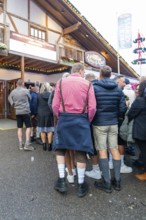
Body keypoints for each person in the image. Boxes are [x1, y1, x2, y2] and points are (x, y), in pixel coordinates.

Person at [52, 63, 96, 197]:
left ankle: (61, 180)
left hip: (64, 118)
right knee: (80, 150)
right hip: (81, 119)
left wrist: (61, 117)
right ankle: (81, 185)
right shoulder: (88, 84)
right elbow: (93, 107)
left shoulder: (60, 82)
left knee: (60, 148)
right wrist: (86, 120)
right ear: (81, 71)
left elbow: (55, 105)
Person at [92, 66, 127, 193]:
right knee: (114, 149)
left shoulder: (94, 87)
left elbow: (91, 106)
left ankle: (106, 182)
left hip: (99, 122)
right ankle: (117, 181)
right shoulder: (118, 88)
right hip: (113, 122)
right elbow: (123, 109)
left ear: (100, 74)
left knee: (102, 150)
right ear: (111, 75)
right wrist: (114, 115)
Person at [108, 75, 133, 174]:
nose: (125, 83)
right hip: (118, 120)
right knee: (120, 142)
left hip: (108, 120)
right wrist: (126, 106)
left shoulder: (108, 91)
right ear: (117, 82)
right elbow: (122, 109)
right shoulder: (119, 92)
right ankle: (121, 165)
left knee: (110, 141)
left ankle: (110, 162)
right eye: (123, 81)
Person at [127, 80, 146, 180]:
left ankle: (145, 174)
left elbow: (131, 114)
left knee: (144, 151)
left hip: (142, 131)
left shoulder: (140, 100)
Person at [8, 79, 34, 151]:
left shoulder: (13, 92)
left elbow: (9, 99)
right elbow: (30, 98)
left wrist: (13, 104)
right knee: (28, 127)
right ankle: (27, 144)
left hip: (18, 112)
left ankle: (20, 145)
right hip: (26, 111)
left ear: (16, 84)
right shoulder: (26, 91)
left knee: (19, 128)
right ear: (23, 83)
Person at [84, 72, 101, 180]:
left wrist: (88, 119)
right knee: (102, 147)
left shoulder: (89, 88)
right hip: (105, 121)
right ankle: (103, 169)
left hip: (92, 120)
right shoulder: (103, 87)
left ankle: (96, 170)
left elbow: (91, 107)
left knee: (93, 147)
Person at [37, 82, 54, 151]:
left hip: (41, 113)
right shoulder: (51, 94)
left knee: (42, 130)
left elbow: (37, 104)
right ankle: (50, 145)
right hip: (49, 113)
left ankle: (44, 145)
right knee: (49, 129)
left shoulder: (39, 95)